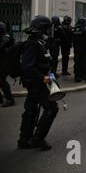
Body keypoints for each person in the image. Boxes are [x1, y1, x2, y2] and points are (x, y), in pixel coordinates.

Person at [17, 16, 58, 151]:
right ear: (42, 29)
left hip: (36, 81)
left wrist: (49, 74)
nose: (48, 31)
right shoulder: (31, 44)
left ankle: (24, 140)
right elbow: (28, 67)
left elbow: (42, 62)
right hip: (35, 82)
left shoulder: (38, 42)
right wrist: (42, 77)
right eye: (46, 28)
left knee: (31, 109)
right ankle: (37, 139)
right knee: (52, 107)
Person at [72, 18, 86, 83]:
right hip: (85, 50)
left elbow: (71, 39)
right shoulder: (85, 30)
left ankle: (77, 77)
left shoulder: (74, 30)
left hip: (76, 50)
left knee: (77, 63)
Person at [0, 22, 15, 107]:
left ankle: (10, 99)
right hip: (2, 63)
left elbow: (1, 46)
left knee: (2, 81)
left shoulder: (5, 38)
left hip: (4, 64)